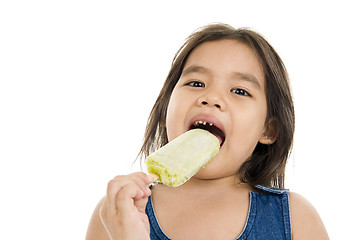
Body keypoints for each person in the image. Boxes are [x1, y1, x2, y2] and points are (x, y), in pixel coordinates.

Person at [86, 24, 329, 239]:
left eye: (240, 91)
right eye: (196, 83)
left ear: (268, 130)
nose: (211, 97)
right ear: (163, 112)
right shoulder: (116, 213)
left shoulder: (295, 217)